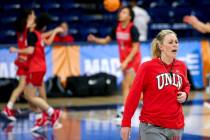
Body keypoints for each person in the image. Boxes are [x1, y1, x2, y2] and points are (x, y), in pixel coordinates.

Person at [121, 29, 190, 140]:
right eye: (170, 42)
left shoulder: (181, 66)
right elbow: (134, 95)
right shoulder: (147, 67)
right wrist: (126, 122)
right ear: (161, 46)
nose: (175, 45)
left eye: (176, 42)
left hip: (176, 127)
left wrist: (185, 94)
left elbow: (186, 85)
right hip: (152, 126)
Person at [9, 13, 64, 132]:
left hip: (35, 68)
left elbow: (30, 50)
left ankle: (52, 113)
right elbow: (38, 49)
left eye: (31, 20)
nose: (29, 21)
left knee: (30, 96)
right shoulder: (37, 35)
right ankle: (41, 119)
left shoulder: (32, 35)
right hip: (38, 67)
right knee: (29, 95)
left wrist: (16, 50)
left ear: (35, 24)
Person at [87, 6, 141, 120]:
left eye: (124, 12)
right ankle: (149, 103)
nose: (121, 13)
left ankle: (125, 111)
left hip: (133, 60)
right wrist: (95, 39)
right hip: (124, 60)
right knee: (132, 87)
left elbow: (136, 48)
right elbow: (106, 40)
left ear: (129, 17)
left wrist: (127, 62)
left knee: (125, 84)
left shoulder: (133, 29)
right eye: (121, 12)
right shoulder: (116, 28)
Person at [1, 9, 46, 122]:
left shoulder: (22, 29)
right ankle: (46, 114)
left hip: (25, 61)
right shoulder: (28, 30)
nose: (35, 16)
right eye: (33, 14)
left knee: (27, 93)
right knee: (29, 90)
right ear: (29, 17)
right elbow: (31, 47)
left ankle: (40, 116)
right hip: (26, 61)